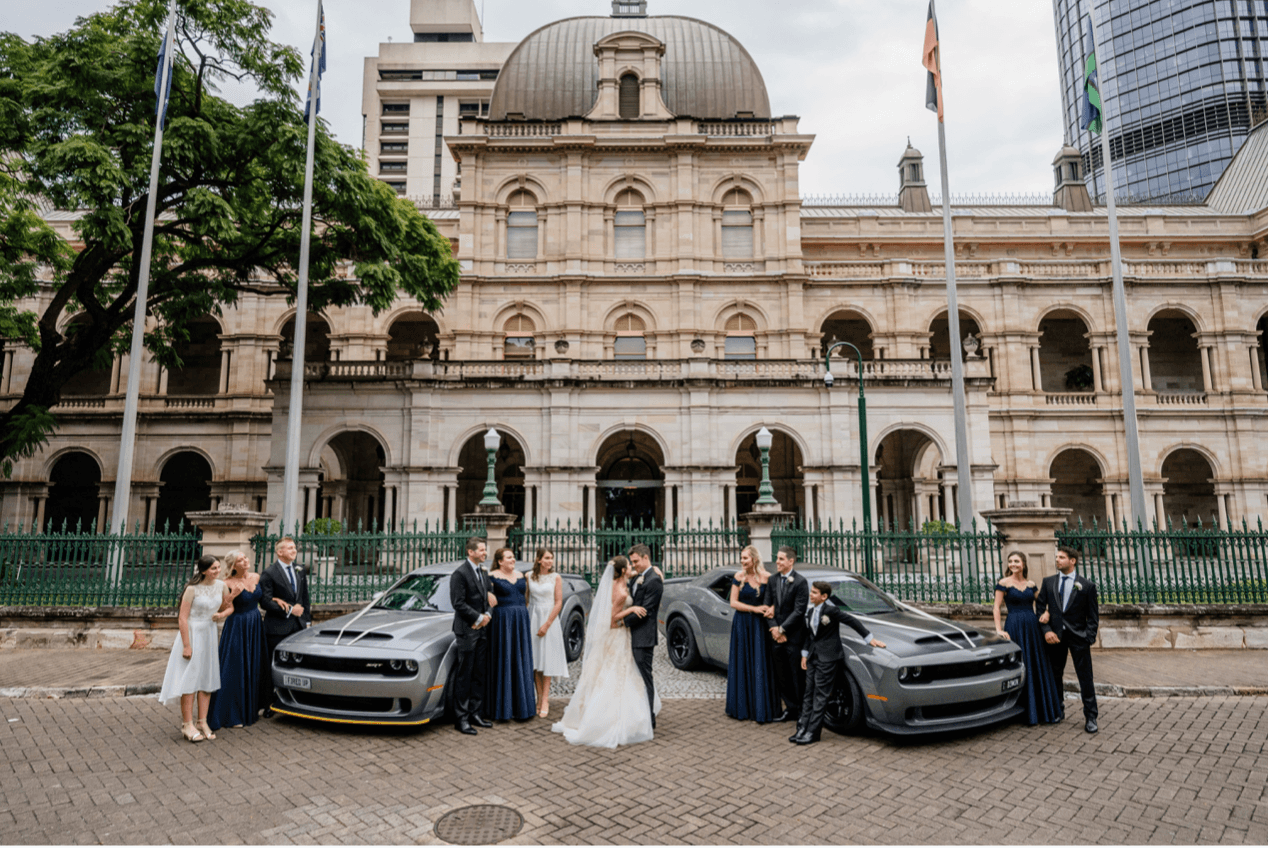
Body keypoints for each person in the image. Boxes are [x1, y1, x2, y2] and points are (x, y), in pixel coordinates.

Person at [552, 556, 660, 747]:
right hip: (617, 636)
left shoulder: (626, 580)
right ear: (623, 570)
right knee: (615, 675)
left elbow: (642, 572)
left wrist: (656, 571)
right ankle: (610, 717)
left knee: (626, 675)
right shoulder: (618, 591)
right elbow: (612, 620)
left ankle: (629, 715)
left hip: (624, 636)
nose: (632, 567)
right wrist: (631, 609)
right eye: (629, 565)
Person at [791, 580, 885, 745]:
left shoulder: (832, 611)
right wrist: (804, 655)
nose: (810, 595)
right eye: (811, 591)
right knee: (808, 693)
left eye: (814, 593)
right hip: (813, 657)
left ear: (824, 596)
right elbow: (809, 636)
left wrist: (870, 639)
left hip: (828, 658)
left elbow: (852, 621)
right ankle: (802, 728)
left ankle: (813, 732)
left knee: (821, 695)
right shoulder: (810, 612)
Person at [159, 554, 231, 742]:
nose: (218, 571)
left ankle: (202, 721)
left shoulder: (222, 586)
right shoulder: (192, 589)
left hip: (209, 634)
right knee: (190, 680)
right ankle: (187, 724)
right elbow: (182, 618)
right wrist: (187, 645)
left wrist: (221, 614)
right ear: (204, 570)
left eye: (218, 567)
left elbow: (229, 606)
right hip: (192, 634)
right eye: (214, 568)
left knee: (206, 678)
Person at [992, 551, 1062, 726]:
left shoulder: (1031, 584)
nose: (1013, 564)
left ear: (1023, 563)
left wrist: (1046, 612)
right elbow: (996, 607)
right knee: (1020, 664)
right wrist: (999, 629)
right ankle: (1019, 711)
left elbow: (1042, 603)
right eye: (1010, 561)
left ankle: (1039, 710)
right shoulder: (1003, 583)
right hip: (1014, 626)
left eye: (1016, 561)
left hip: (1032, 628)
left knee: (1035, 664)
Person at [1036, 545, 1100, 733]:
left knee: (1085, 678)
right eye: (1057, 557)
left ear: (1072, 561)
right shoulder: (1048, 582)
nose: (1057, 560)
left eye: (1062, 557)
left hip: (1079, 637)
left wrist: (1088, 637)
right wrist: (1046, 630)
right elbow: (1040, 608)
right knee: (1055, 675)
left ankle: (1091, 716)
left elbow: (1093, 617)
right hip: (1055, 637)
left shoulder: (1086, 586)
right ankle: (1057, 710)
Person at [207, 549, 269, 731]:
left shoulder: (256, 577)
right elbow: (221, 607)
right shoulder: (225, 583)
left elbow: (263, 599)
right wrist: (233, 594)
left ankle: (252, 708)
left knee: (255, 665)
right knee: (235, 668)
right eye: (240, 560)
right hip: (237, 626)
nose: (245, 561)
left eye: (245, 558)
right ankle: (231, 713)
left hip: (255, 624)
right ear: (233, 566)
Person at [724, 544, 777, 722]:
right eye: (741, 558)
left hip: (760, 626)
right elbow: (733, 602)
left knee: (759, 662)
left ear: (754, 559)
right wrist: (754, 609)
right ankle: (742, 707)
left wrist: (772, 609)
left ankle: (761, 707)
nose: (742, 561)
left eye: (745, 558)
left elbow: (776, 600)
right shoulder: (739, 577)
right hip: (742, 623)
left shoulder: (767, 578)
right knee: (743, 662)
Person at [260, 536, 311, 716]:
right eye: (289, 548)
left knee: (298, 665)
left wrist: (307, 621)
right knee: (273, 665)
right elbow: (265, 601)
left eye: (294, 547)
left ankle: (297, 699)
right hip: (277, 628)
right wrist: (289, 610)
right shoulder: (269, 573)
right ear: (279, 552)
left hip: (298, 627)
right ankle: (269, 703)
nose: (293, 550)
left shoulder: (300, 570)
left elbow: (305, 598)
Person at [487, 547, 536, 721]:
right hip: (503, 622)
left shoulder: (522, 576)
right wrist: (487, 593)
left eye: (513, 557)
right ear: (500, 561)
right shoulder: (492, 576)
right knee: (505, 660)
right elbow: (484, 593)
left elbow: (527, 596)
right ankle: (504, 709)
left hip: (521, 620)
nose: (513, 560)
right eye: (509, 557)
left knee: (520, 660)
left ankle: (523, 707)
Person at [450, 536, 493, 735]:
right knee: (464, 675)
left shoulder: (483, 572)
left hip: (482, 630)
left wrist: (487, 616)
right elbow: (458, 603)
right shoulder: (459, 574)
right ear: (471, 552)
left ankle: (476, 713)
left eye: (485, 550)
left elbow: (489, 599)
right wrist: (477, 618)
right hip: (466, 631)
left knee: (479, 673)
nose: (485, 553)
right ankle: (461, 719)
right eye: (482, 550)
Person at [765, 545, 809, 723]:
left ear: (791, 561)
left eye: (781, 559)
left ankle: (801, 712)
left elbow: (799, 611)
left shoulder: (800, 582)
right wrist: (774, 629)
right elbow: (767, 606)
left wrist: (782, 630)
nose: (777, 561)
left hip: (793, 637)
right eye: (777, 558)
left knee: (796, 676)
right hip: (776, 637)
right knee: (781, 675)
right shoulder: (772, 580)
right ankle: (790, 709)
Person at [525, 546, 569, 718]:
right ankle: (538, 696)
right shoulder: (529, 576)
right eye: (547, 558)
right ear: (538, 560)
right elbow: (526, 599)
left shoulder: (555, 577)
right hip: (533, 617)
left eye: (551, 558)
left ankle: (545, 699)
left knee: (548, 658)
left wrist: (547, 624)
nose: (550, 561)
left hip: (549, 619)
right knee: (535, 659)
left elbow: (558, 602)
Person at [624, 542, 662, 729]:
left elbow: (645, 611)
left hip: (643, 636)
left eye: (636, 561)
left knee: (644, 677)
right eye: (632, 562)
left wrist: (621, 622)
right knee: (635, 677)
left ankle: (649, 718)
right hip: (633, 635)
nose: (634, 565)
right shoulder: (639, 577)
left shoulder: (654, 580)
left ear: (646, 557)